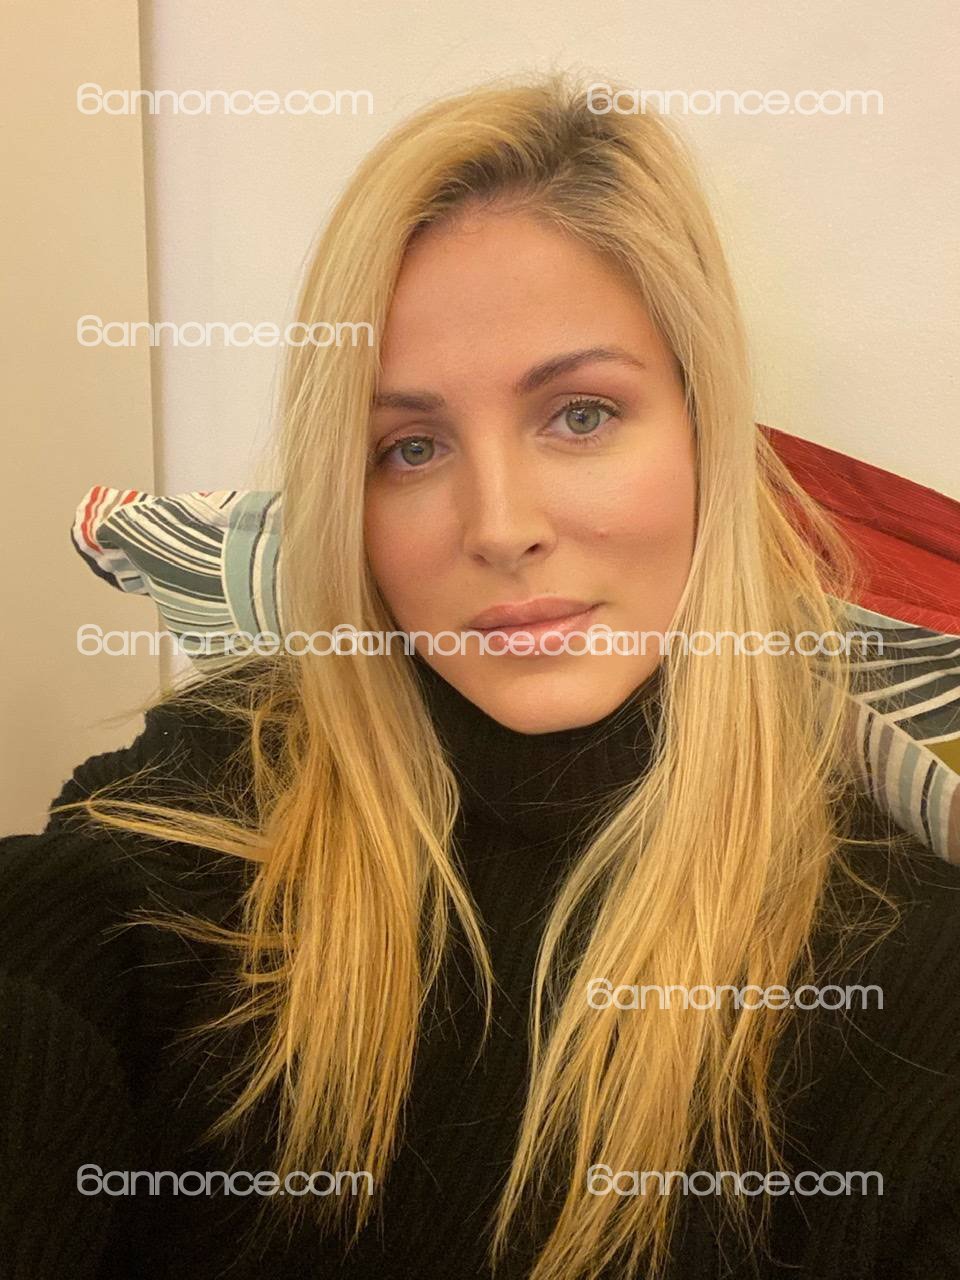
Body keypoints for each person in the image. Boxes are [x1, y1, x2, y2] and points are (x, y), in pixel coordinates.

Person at [2, 71, 959, 1280]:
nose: (500, 526)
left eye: (581, 414)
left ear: (705, 430)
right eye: (410, 446)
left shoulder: (906, 964)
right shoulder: (202, 802)